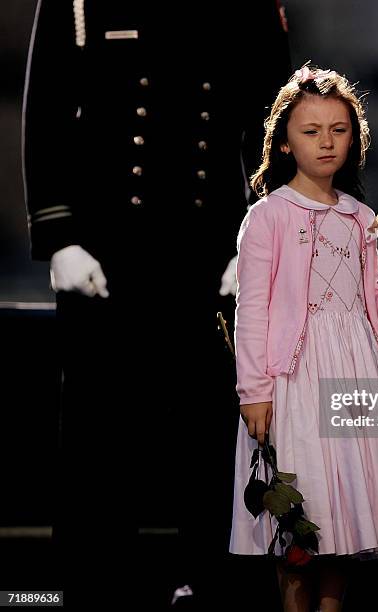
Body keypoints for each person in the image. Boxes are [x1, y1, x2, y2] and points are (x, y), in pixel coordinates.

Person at [22, 1, 290, 609]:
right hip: (106, 255)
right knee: (97, 450)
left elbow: (276, 119)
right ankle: (89, 591)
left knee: (213, 446)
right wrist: (59, 236)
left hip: (212, 252)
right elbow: (48, 106)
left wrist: (263, 240)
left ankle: (216, 589)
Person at [229, 66, 378, 612]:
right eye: (311, 131)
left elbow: (371, 301)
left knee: (343, 520)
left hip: (354, 375)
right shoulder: (267, 217)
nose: (326, 142)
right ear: (284, 141)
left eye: (339, 129)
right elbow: (253, 311)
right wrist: (254, 392)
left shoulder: (359, 218)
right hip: (295, 382)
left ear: (354, 136)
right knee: (299, 512)